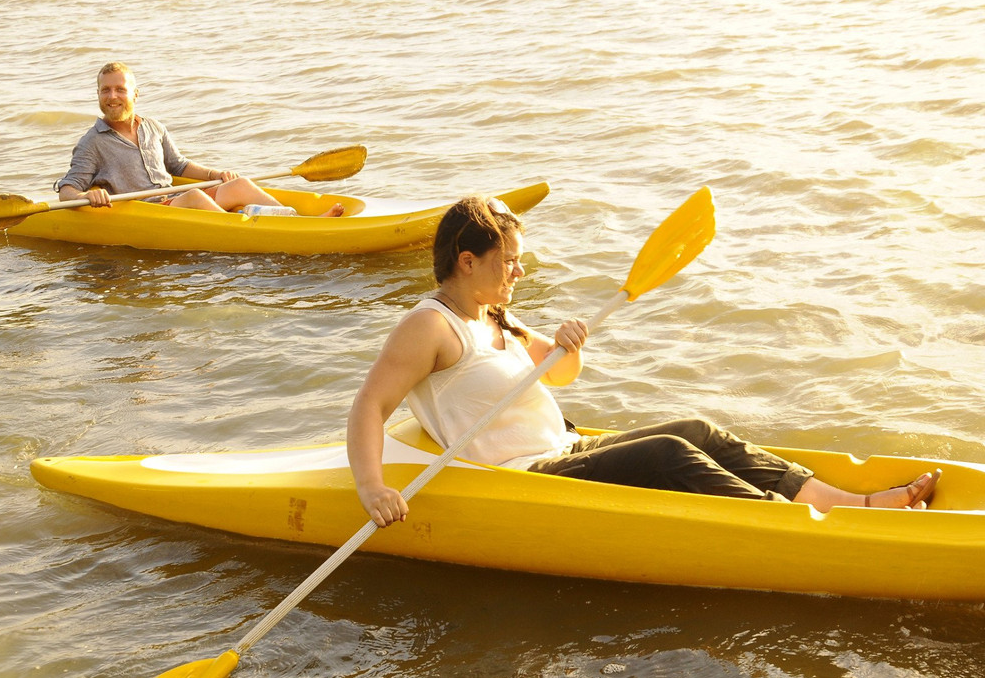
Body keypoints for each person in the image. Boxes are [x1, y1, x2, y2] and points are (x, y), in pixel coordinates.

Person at [346, 195, 940, 528]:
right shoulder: (429, 326)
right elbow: (370, 406)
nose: (519, 272)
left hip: (567, 448)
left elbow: (557, 376)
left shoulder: (496, 314)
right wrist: (372, 488)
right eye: (510, 261)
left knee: (696, 429)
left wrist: (566, 349)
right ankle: (792, 529)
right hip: (526, 477)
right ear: (467, 260)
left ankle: (849, 504)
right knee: (668, 454)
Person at [54, 62, 343, 216]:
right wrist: (85, 195)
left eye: (120, 89)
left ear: (135, 94)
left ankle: (296, 222)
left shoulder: (154, 127)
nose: (112, 96)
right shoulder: (92, 142)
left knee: (238, 184)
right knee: (193, 196)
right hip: (152, 211)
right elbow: (67, 189)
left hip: (175, 201)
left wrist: (216, 175)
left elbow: (178, 167)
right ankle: (246, 228)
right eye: (105, 90)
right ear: (98, 95)